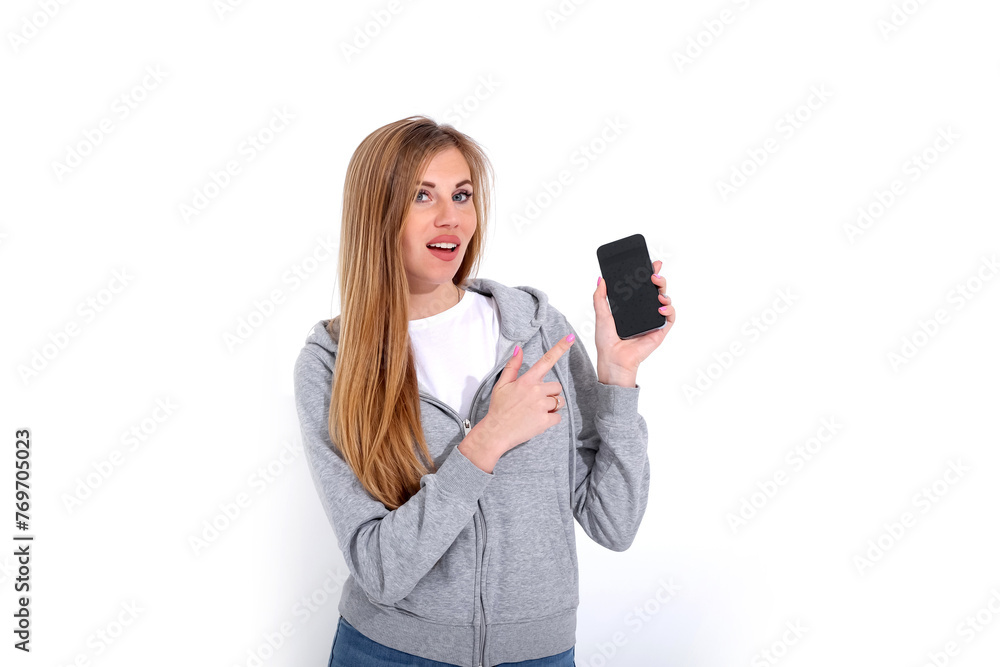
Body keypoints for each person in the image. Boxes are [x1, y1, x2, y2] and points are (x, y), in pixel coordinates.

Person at [292, 116, 675, 667]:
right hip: (389, 653)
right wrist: (484, 443)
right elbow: (378, 570)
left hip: (537, 656)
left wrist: (617, 376)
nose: (451, 217)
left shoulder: (538, 331)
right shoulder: (331, 364)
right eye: (422, 195)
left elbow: (613, 524)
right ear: (377, 213)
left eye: (462, 194)